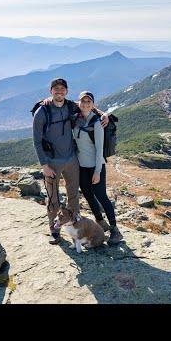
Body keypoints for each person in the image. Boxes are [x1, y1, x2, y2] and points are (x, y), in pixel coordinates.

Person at [31, 78, 108, 245]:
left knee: (73, 195)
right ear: (50, 91)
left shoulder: (70, 105)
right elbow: (36, 141)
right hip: (52, 162)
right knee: (53, 197)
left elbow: (87, 105)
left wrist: (103, 114)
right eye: (56, 89)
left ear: (66, 91)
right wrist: (44, 165)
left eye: (62, 89)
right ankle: (54, 230)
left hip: (72, 159)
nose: (59, 92)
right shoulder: (42, 111)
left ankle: (75, 226)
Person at [73, 91, 123, 245]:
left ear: (93, 104)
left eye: (89, 101)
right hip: (81, 167)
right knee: (88, 195)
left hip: (96, 166)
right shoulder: (75, 119)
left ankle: (115, 229)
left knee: (101, 196)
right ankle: (101, 222)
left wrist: (97, 172)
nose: (86, 104)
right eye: (83, 101)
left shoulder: (97, 123)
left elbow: (99, 149)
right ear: (79, 103)